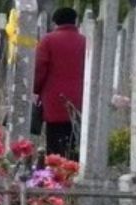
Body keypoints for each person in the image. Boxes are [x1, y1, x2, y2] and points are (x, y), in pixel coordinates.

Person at [33, 8, 86, 159]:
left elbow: (39, 69)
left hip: (54, 99)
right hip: (80, 99)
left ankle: (55, 168)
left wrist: (36, 89)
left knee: (55, 144)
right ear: (75, 21)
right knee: (75, 142)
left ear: (55, 22)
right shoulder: (84, 41)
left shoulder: (48, 40)